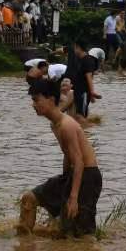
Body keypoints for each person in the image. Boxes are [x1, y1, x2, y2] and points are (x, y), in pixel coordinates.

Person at [18, 77, 103, 237]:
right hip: (72, 174)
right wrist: (64, 182)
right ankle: (24, 244)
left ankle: (86, 249)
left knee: (77, 235)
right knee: (29, 198)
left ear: (51, 100)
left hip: (87, 178)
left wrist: (73, 198)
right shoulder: (54, 124)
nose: (33, 105)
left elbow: (79, 162)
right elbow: (68, 155)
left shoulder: (66, 125)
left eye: (36, 100)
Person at [67, 40, 102, 118]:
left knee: (81, 116)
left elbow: (89, 77)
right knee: (76, 115)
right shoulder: (79, 59)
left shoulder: (88, 60)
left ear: (78, 48)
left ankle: (89, 125)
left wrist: (92, 92)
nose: (74, 50)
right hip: (77, 92)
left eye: (75, 48)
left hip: (84, 93)